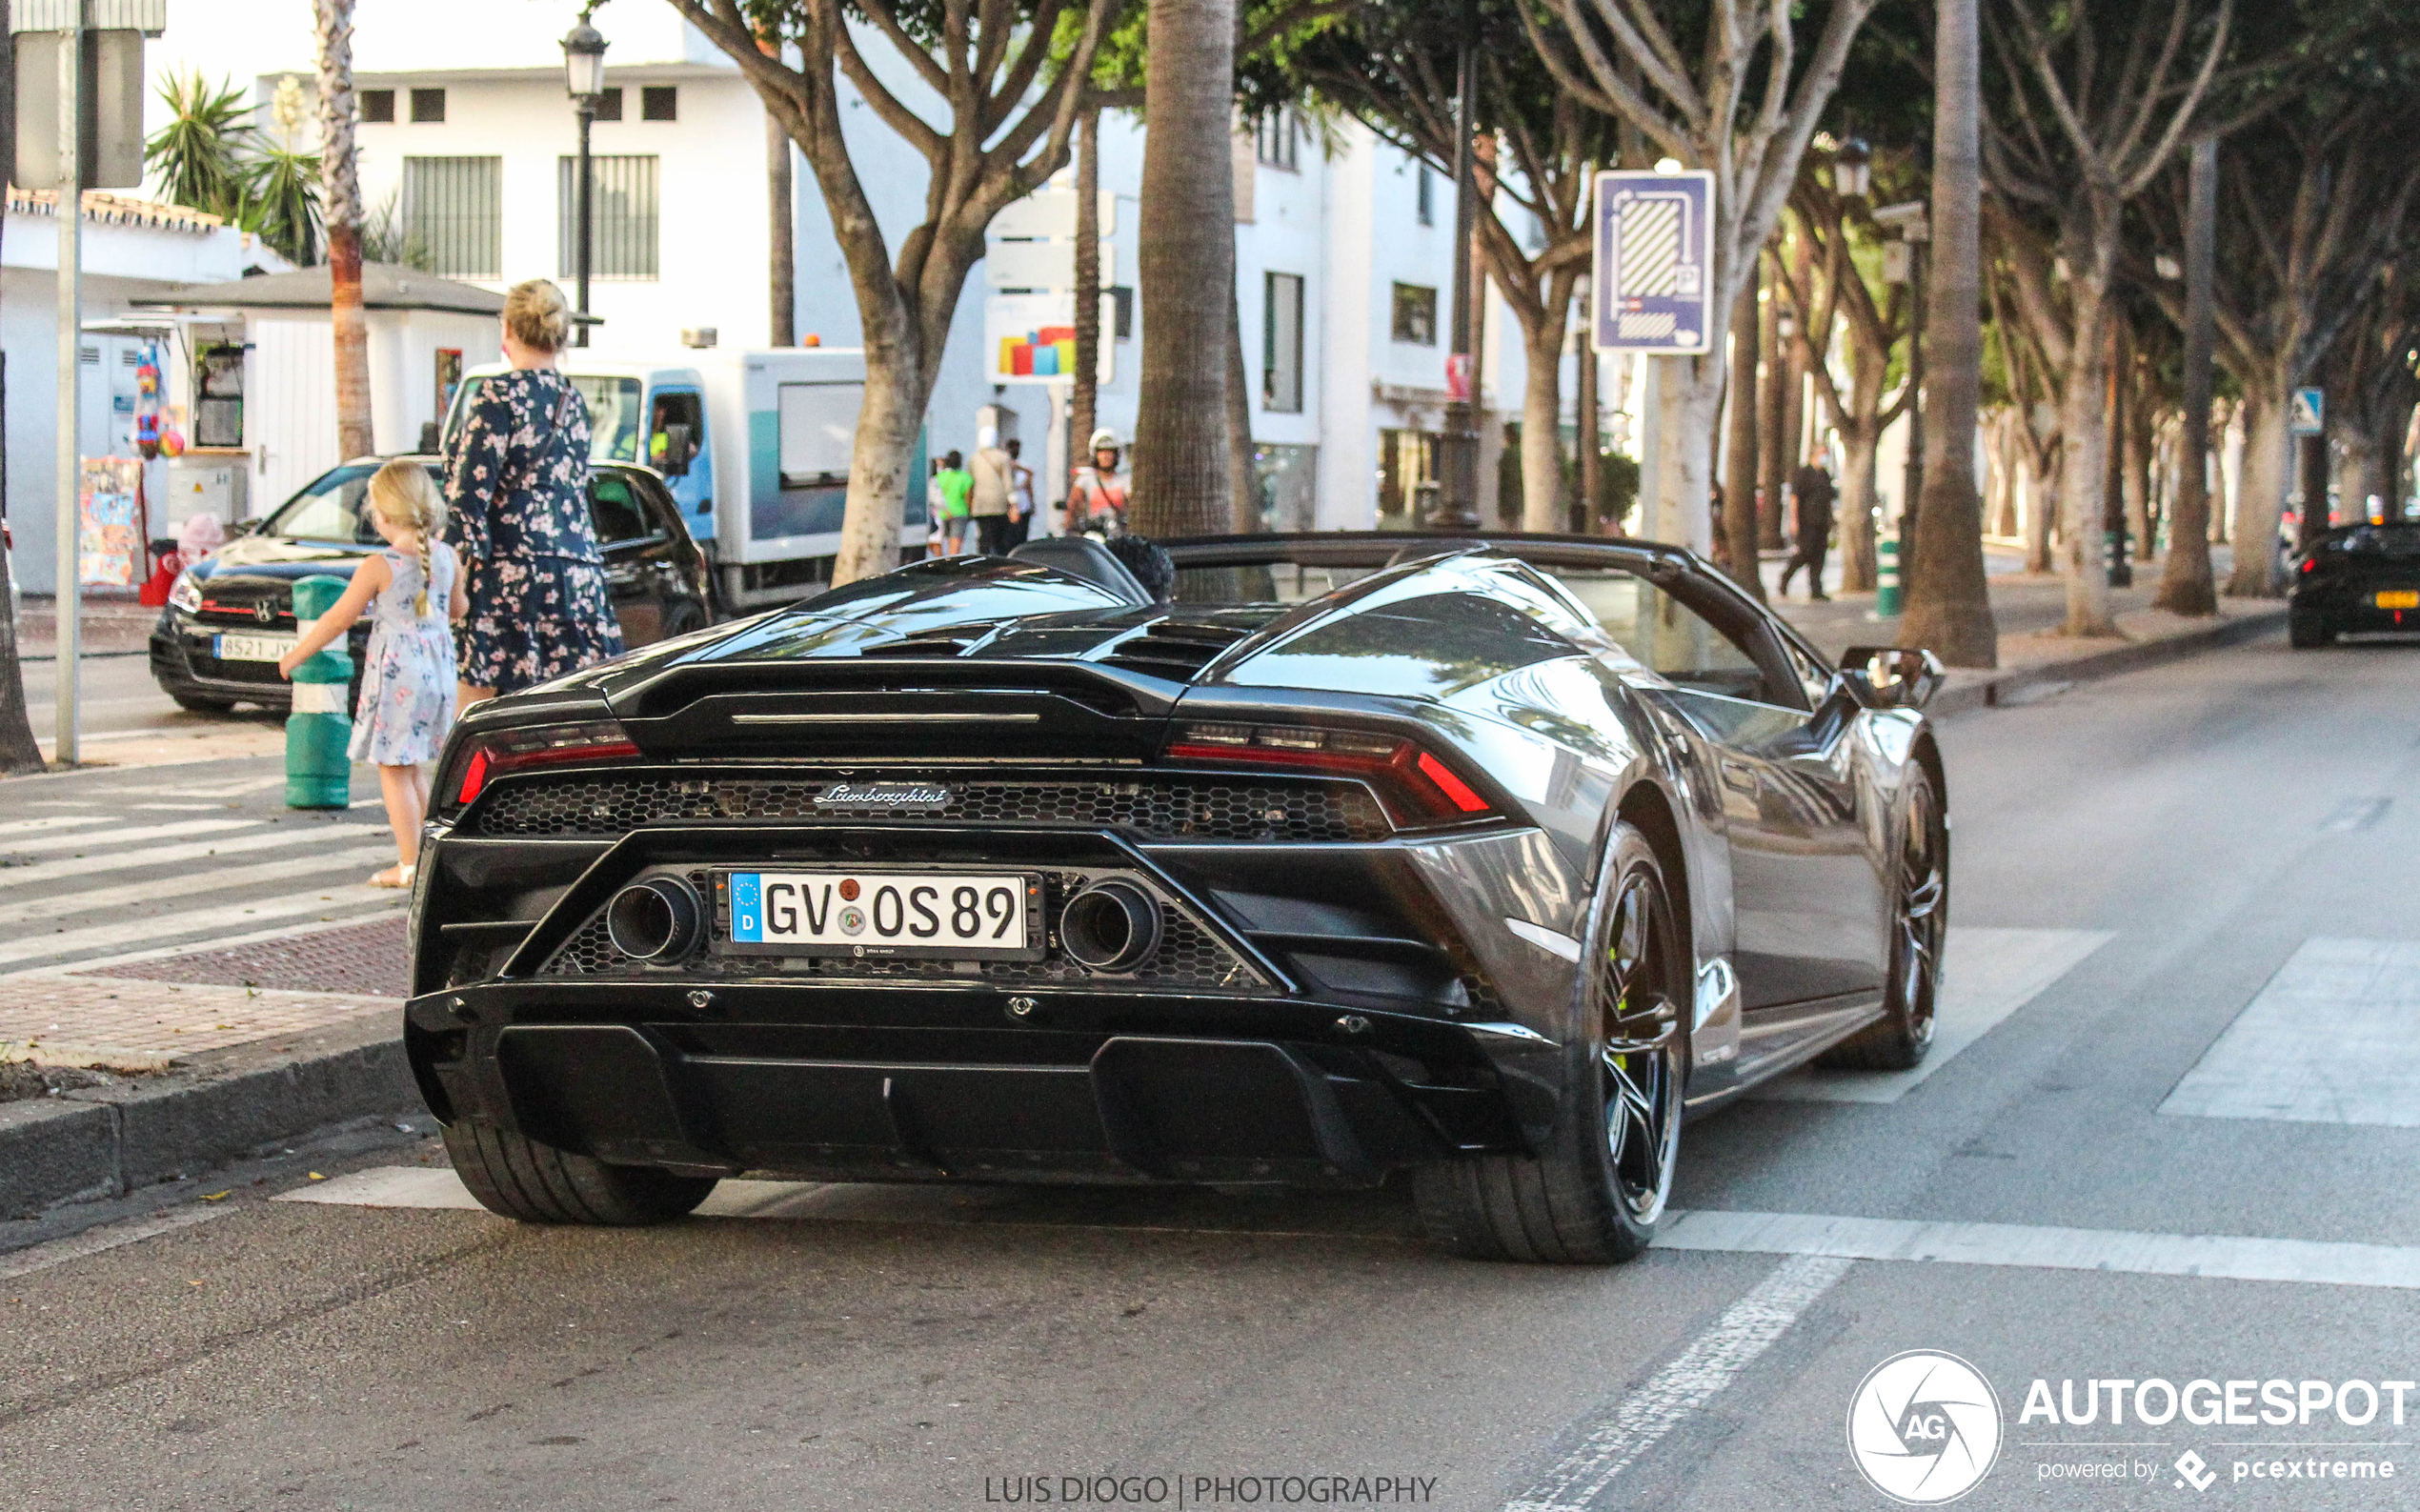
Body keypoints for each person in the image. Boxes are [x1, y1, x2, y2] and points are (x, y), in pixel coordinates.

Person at [277, 461, 466, 889]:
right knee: (413, 768)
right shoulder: (446, 556)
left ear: (382, 514)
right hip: (438, 673)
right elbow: (459, 609)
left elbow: (337, 619)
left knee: (392, 769)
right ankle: (426, 861)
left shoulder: (379, 566)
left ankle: (409, 865)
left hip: (398, 677)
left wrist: (296, 655)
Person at [443, 279, 622, 705]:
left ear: (507, 329)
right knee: (567, 705)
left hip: (509, 572)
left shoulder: (496, 395)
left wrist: (447, 565)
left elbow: (470, 499)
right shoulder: (572, 401)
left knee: (478, 703)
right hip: (576, 573)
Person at [1779, 461, 1836, 600]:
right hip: (1807, 522)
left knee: (1819, 556)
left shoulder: (1824, 475)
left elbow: (1829, 498)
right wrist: (1794, 521)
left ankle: (1816, 589)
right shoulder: (1804, 474)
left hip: (1821, 523)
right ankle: (1786, 578)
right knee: (1805, 553)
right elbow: (1795, 497)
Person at [1067, 428, 1129, 534]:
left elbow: (1132, 500)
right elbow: (1073, 505)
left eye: (1109, 452)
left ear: (1116, 455)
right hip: (1093, 533)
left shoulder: (1125, 480)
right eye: (1101, 452)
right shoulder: (1086, 479)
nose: (1105, 456)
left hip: (1118, 534)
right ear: (1095, 454)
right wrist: (1070, 526)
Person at [969, 426, 1015, 555]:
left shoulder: (974, 459)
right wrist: (1013, 503)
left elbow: (970, 483)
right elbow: (1008, 483)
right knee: (999, 538)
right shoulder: (1003, 457)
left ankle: (983, 559)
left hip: (980, 504)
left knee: (984, 536)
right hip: (999, 503)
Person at [1004, 437, 1037, 548]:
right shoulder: (1004, 465)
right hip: (1010, 507)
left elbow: (1029, 486)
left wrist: (1032, 504)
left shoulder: (1024, 466)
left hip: (1024, 505)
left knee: (1022, 537)